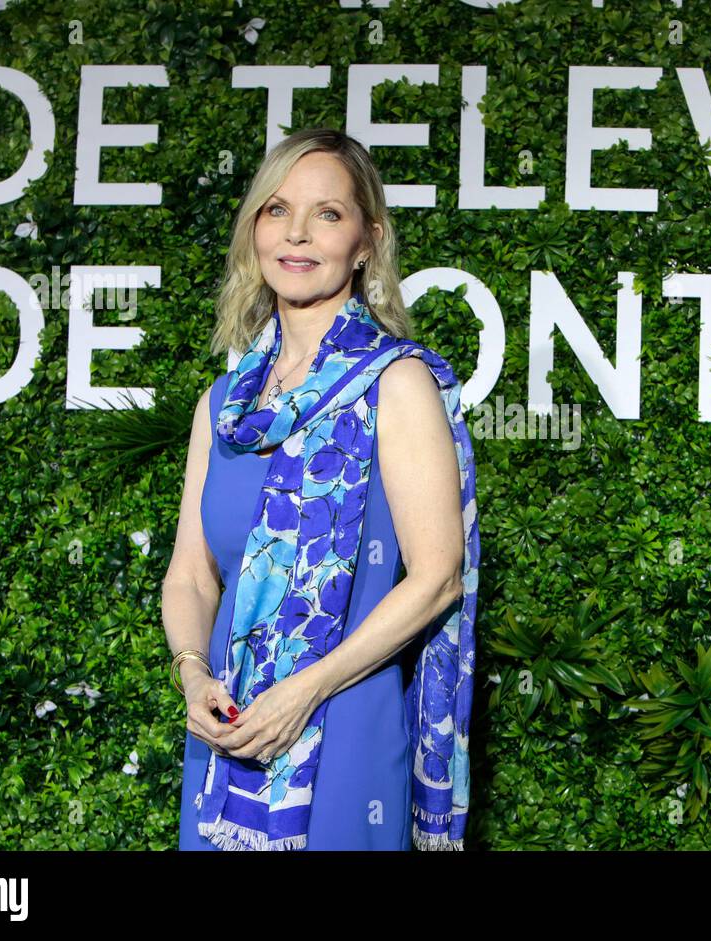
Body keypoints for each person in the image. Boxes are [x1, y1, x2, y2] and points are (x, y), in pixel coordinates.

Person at [161, 128, 479, 850]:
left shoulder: (396, 384)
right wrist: (193, 675)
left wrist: (302, 692)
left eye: (328, 213)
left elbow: (437, 579)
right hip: (228, 734)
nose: (297, 233)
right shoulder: (224, 407)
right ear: (253, 230)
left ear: (366, 240)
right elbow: (190, 575)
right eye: (276, 210)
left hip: (343, 730)